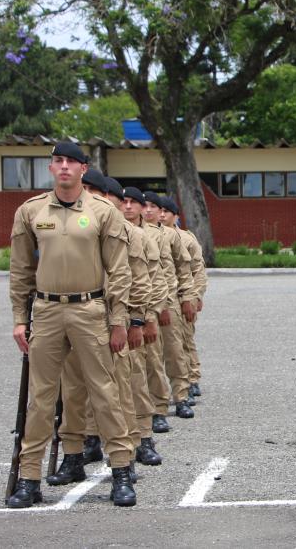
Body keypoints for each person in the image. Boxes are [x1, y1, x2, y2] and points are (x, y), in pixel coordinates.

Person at [7, 142, 136, 508]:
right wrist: (20, 318)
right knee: (41, 399)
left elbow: (119, 270)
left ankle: (122, 471)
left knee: (105, 393)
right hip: (46, 311)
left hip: (90, 309)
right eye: (58, 161)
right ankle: (30, 477)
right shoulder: (31, 211)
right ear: (51, 168)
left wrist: (119, 319)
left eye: (71, 162)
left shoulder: (102, 212)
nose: (64, 167)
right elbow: (20, 271)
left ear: (83, 168)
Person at [46, 172, 151, 487]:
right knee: (73, 392)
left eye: (96, 191)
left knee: (116, 393)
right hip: (74, 320)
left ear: (114, 199)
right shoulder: (72, 227)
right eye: (86, 190)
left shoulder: (129, 233)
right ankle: (74, 455)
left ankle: (126, 454)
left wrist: (135, 321)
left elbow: (140, 283)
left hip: (111, 324)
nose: (88, 196)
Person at [142, 192, 197, 420]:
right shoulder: (134, 234)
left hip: (170, 300)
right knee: (151, 359)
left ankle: (181, 396)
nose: (149, 210)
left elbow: (184, 270)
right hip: (145, 304)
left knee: (174, 352)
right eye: (144, 206)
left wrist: (188, 298)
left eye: (153, 206)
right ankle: (157, 408)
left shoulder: (172, 236)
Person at [122, 185, 167, 465]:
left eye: (132, 202)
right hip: (97, 316)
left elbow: (157, 279)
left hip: (134, 316)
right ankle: (88, 440)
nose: (127, 207)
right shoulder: (98, 230)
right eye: (122, 201)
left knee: (139, 376)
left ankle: (144, 437)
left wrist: (149, 316)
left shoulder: (149, 237)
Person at [161, 198, 208, 405]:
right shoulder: (152, 235)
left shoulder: (186, 239)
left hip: (182, 297)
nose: (162, 215)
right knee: (170, 346)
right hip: (165, 297)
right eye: (158, 210)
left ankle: (192, 377)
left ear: (176, 216)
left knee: (186, 341)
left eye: (166, 211)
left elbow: (197, 271)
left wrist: (195, 296)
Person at [139, 192, 174, 432]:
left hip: (149, 306)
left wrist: (162, 306)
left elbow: (168, 272)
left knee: (157, 358)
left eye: (154, 206)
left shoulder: (160, 236)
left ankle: (160, 408)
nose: (152, 211)